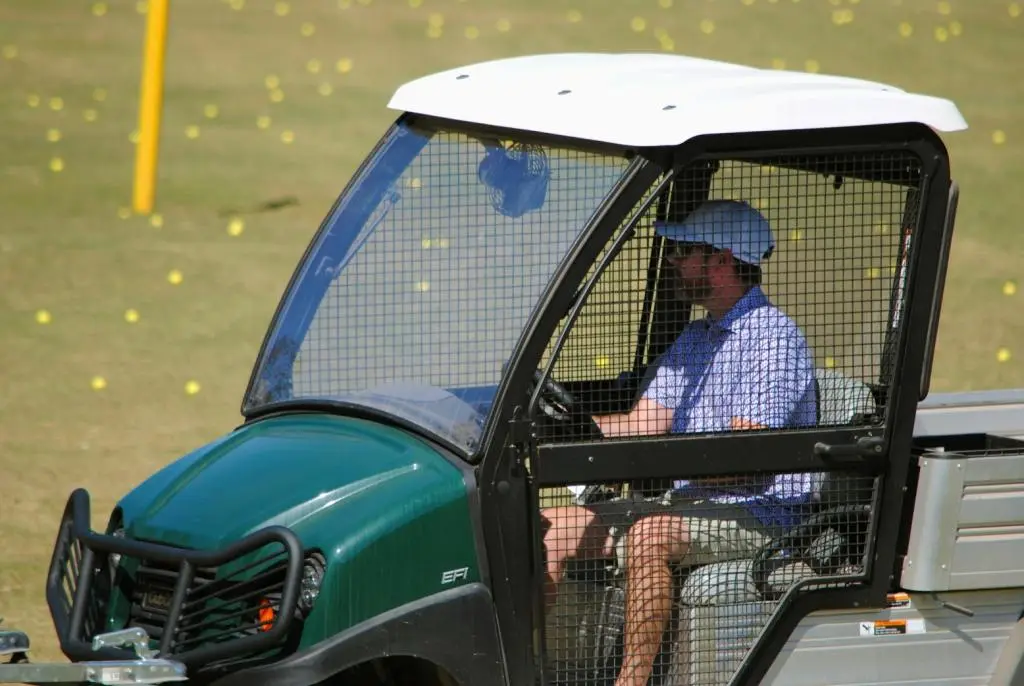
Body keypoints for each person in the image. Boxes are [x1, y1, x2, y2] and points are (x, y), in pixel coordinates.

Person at [540, 199, 818, 686]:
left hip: (762, 511)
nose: (672, 260)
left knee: (650, 531)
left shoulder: (773, 338)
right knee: (544, 527)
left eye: (684, 250)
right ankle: (537, 672)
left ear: (723, 260)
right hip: (691, 502)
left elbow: (749, 459)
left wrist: (644, 471)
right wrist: (567, 430)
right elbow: (645, 422)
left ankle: (632, 682)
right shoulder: (695, 336)